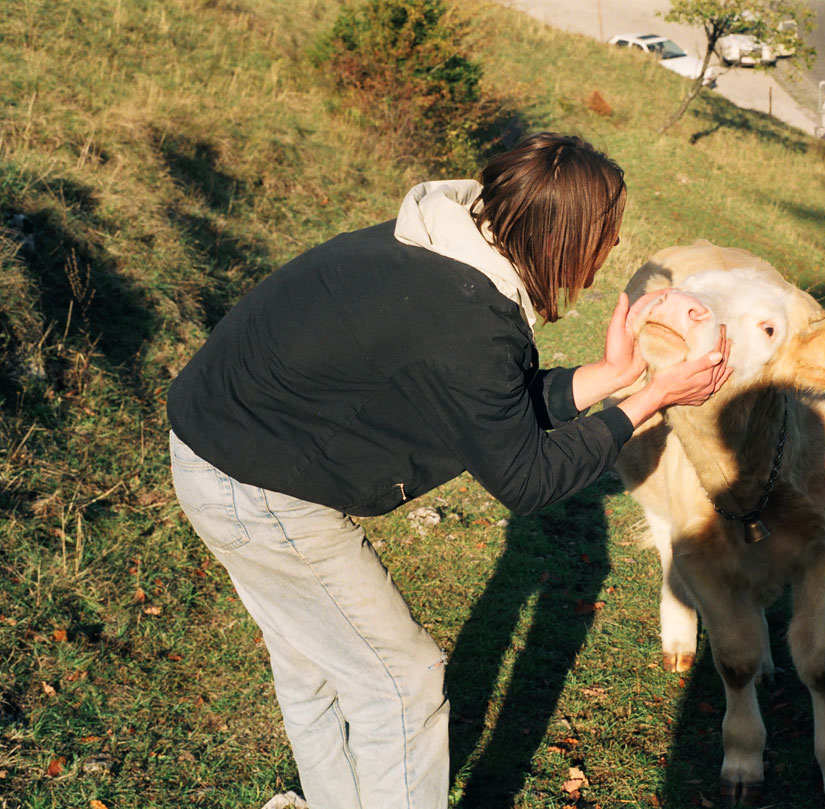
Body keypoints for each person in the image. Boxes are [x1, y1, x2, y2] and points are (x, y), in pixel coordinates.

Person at [167, 132, 730, 809]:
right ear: (561, 236)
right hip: (254, 486)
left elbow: (488, 400)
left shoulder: (446, 245)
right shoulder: (464, 316)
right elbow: (524, 478)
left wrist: (608, 378)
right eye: (605, 233)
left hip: (224, 449)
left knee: (315, 666)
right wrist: (648, 400)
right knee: (399, 684)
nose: (611, 248)